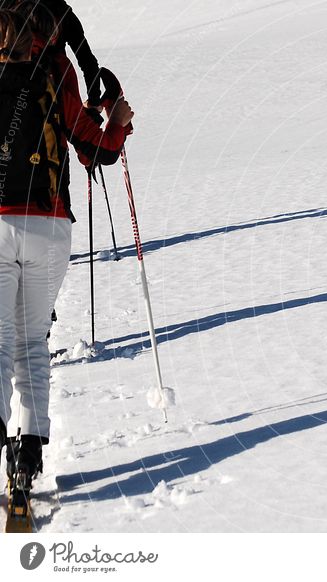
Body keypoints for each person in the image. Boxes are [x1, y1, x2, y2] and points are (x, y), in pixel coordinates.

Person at [0, 7, 133, 492]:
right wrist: (117, 120)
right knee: (31, 342)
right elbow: (94, 148)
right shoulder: (57, 68)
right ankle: (30, 452)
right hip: (48, 225)